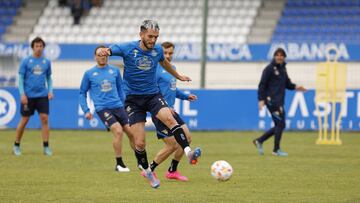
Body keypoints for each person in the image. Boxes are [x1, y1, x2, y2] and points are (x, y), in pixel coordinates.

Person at [97, 20, 201, 188]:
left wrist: (179, 76)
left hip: (153, 95)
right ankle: (147, 171)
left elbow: (164, 63)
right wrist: (106, 51)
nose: (153, 40)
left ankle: (188, 152)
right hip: (133, 100)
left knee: (170, 119)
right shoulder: (128, 48)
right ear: (141, 34)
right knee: (139, 143)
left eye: (156, 37)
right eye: (150, 36)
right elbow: (112, 49)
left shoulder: (158, 50)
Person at [145, 42, 197, 181]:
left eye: (170, 53)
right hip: (160, 112)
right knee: (173, 144)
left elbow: (172, 89)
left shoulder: (171, 68)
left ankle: (172, 170)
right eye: (165, 53)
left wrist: (186, 96)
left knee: (187, 137)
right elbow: (151, 91)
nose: (168, 56)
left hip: (171, 112)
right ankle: (149, 169)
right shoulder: (154, 69)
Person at [79, 45, 135, 172]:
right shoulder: (89, 74)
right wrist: (86, 110)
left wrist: (124, 104)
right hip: (102, 108)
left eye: (104, 55)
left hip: (118, 106)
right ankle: (119, 164)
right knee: (118, 131)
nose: (102, 57)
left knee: (131, 133)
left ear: (107, 56)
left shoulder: (115, 71)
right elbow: (82, 93)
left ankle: (141, 161)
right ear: (95, 57)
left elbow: (121, 89)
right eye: (99, 55)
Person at [253, 48, 307, 156]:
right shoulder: (269, 69)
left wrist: (296, 87)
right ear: (274, 56)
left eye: (281, 55)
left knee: (280, 125)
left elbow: (287, 84)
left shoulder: (283, 69)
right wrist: (261, 100)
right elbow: (262, 85)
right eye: (277, 55)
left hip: (279, 101)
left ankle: (260, 140)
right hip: (271, 101)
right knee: (281, 124)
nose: (279, 57)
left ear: (284, 57)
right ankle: (275, 150)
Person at [13, 37, 53, 156]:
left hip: (42, 95)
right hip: (28, 96)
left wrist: (50, 91)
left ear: (43, 47)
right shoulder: (26, 61)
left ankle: (46, 147)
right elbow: (20, 79)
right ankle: (16, 145)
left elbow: (49, 78)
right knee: (24, 120)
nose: (39, 48)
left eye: (41, 46)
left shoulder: (46, 62)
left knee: (45, 119)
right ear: (32, 47)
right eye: (36, 46)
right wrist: (22, 94)